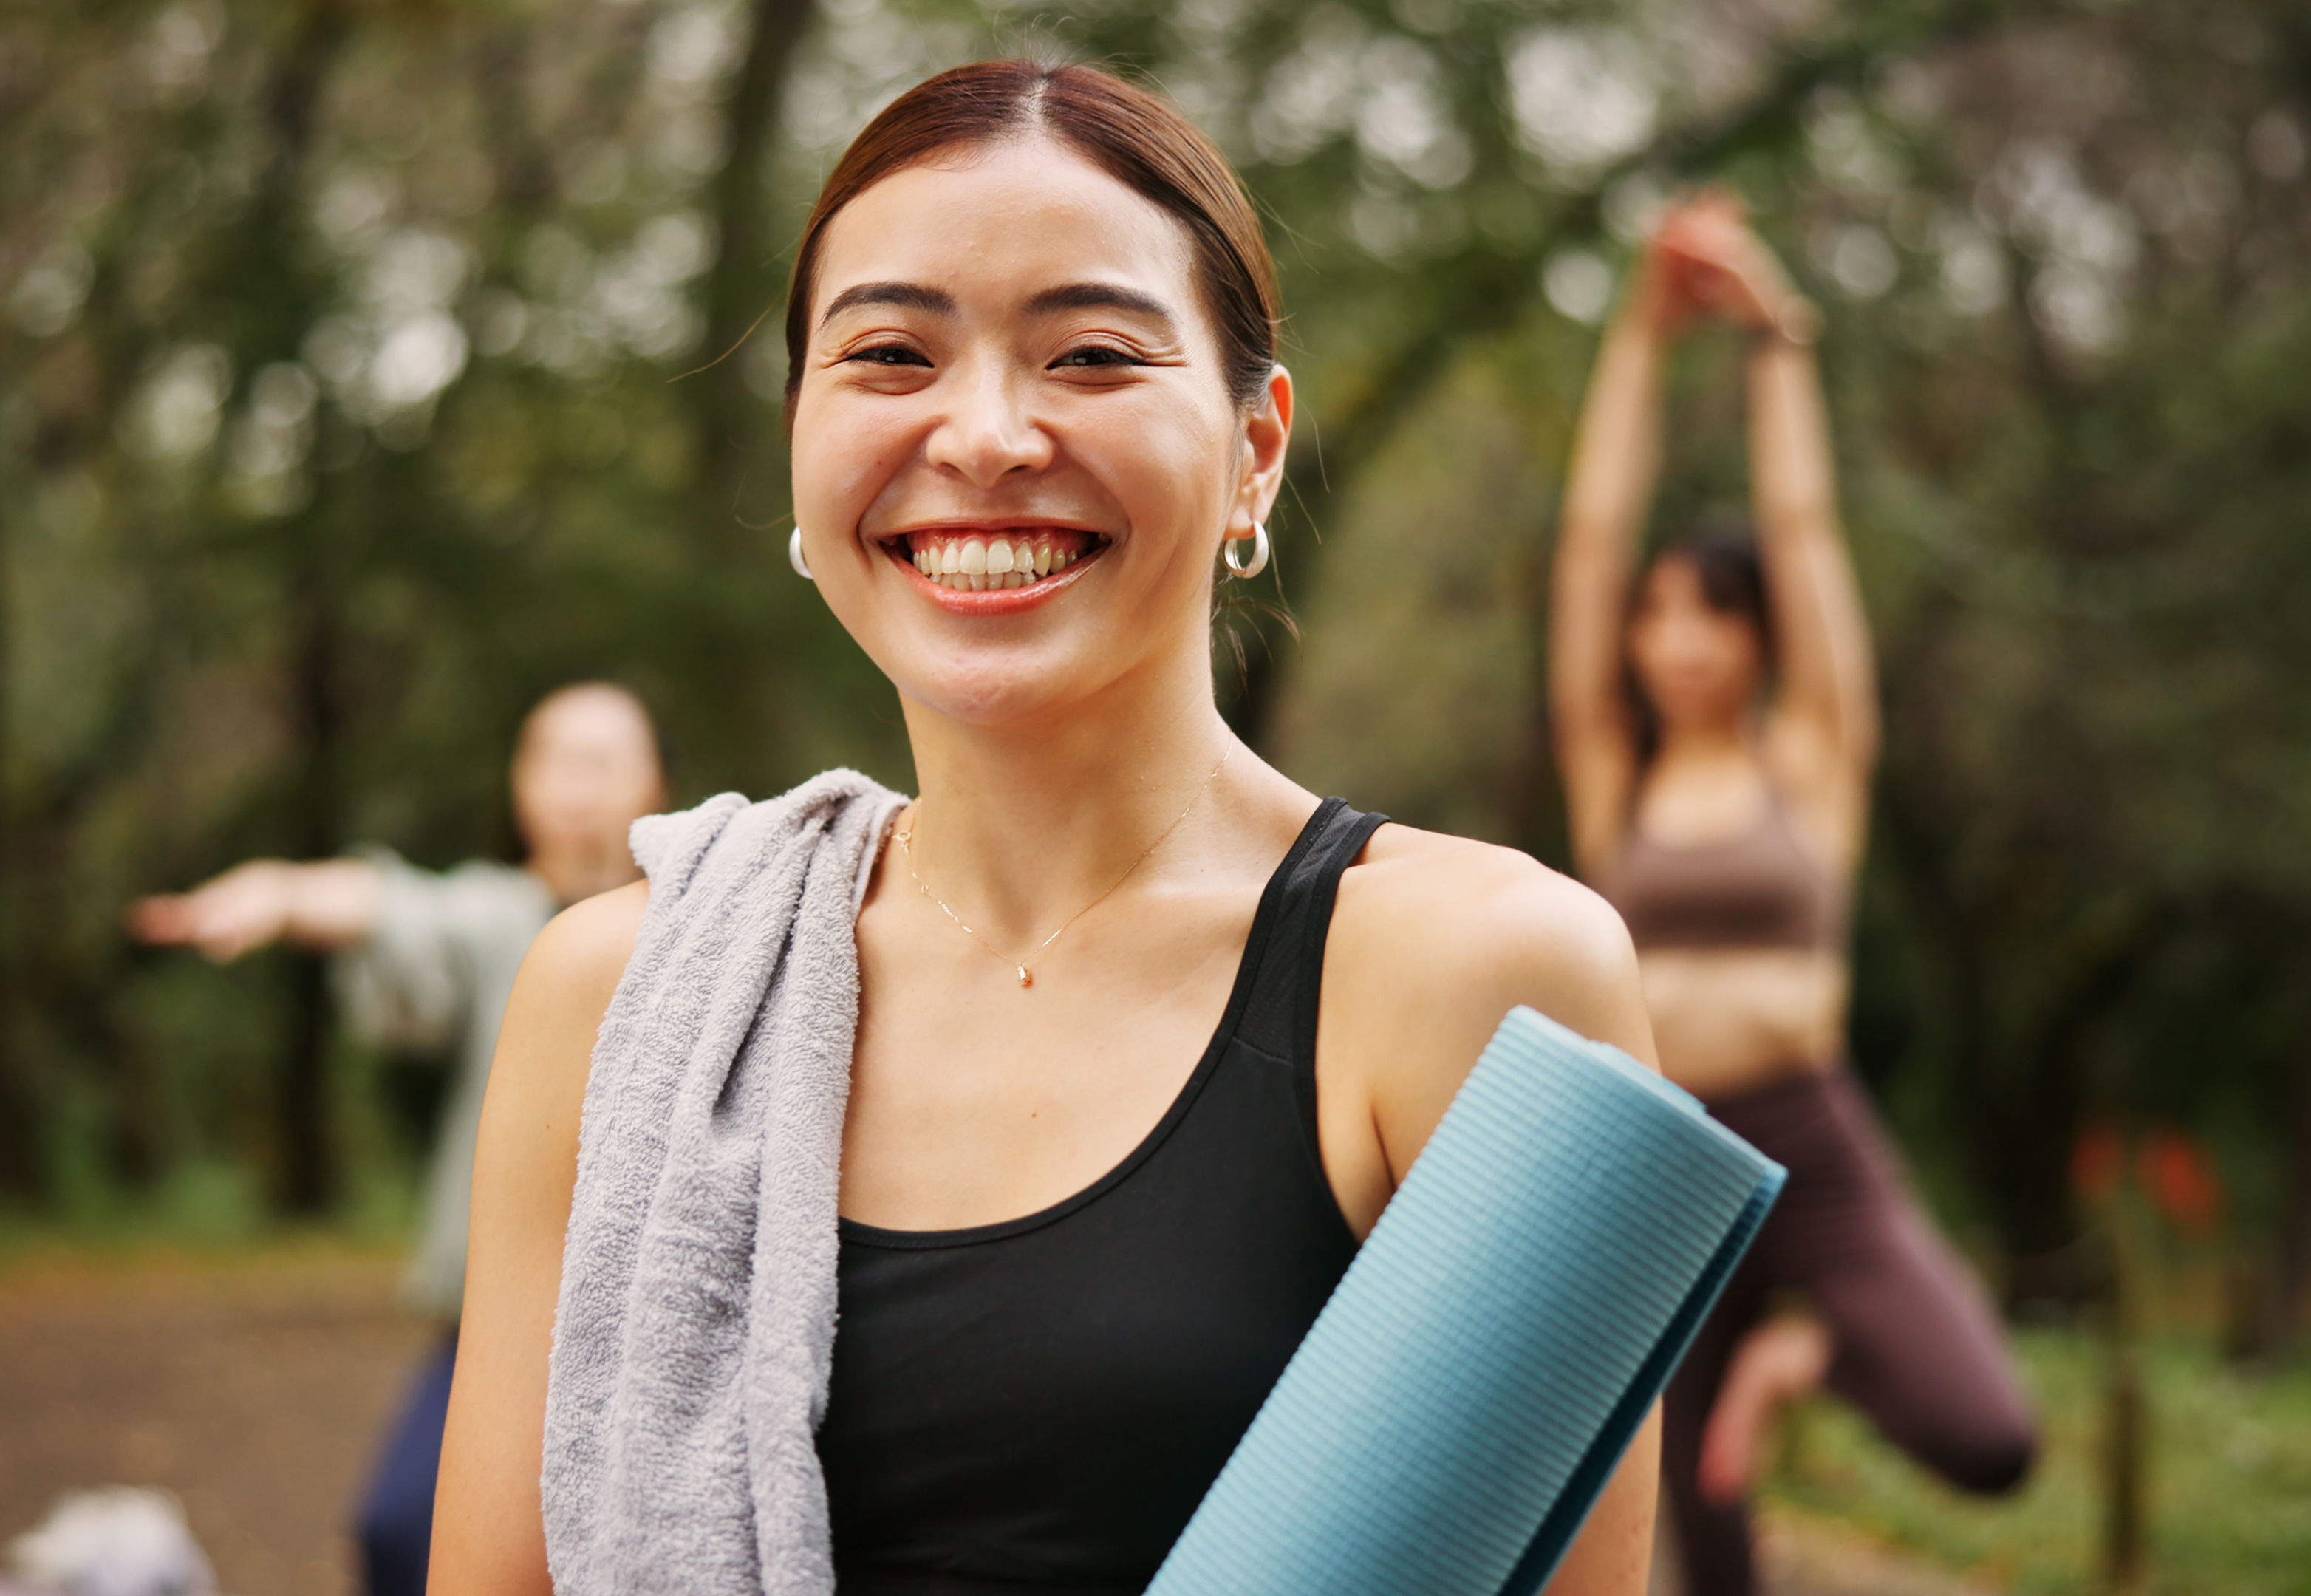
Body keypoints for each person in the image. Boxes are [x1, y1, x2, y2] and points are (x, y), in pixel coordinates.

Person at [434, 61, 1665, 1595]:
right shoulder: (614, 995)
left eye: (1089, 354)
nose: (987, 435)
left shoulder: (1481, 978)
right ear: (800, 453)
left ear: (1255, 450)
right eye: (890, 353)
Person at [1546, 193, 2035, 1594]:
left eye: (1715, 611)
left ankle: (1800, 1346)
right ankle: (1752, 1366)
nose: (1679, 641)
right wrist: (1638, 339)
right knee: (1706, 1545)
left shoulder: (1813, 760)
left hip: (1807, 1140)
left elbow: (1806, 531)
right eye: (1658, 612)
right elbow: (1589, 543)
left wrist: (1779, 340)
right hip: (1656, 1157)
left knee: (1985, 1432)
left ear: (1761, 637)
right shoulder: (1611, 772)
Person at [126, 682, 665, 1596]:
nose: (575, 784)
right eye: (552, 757)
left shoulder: (706, 921)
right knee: (399, 1527)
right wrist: (284, 890)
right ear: (519, 785)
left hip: (658, 1316)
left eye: (602, 759)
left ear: (656, 785)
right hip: (504, 1317)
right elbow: (392, 902)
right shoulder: (504, 920)